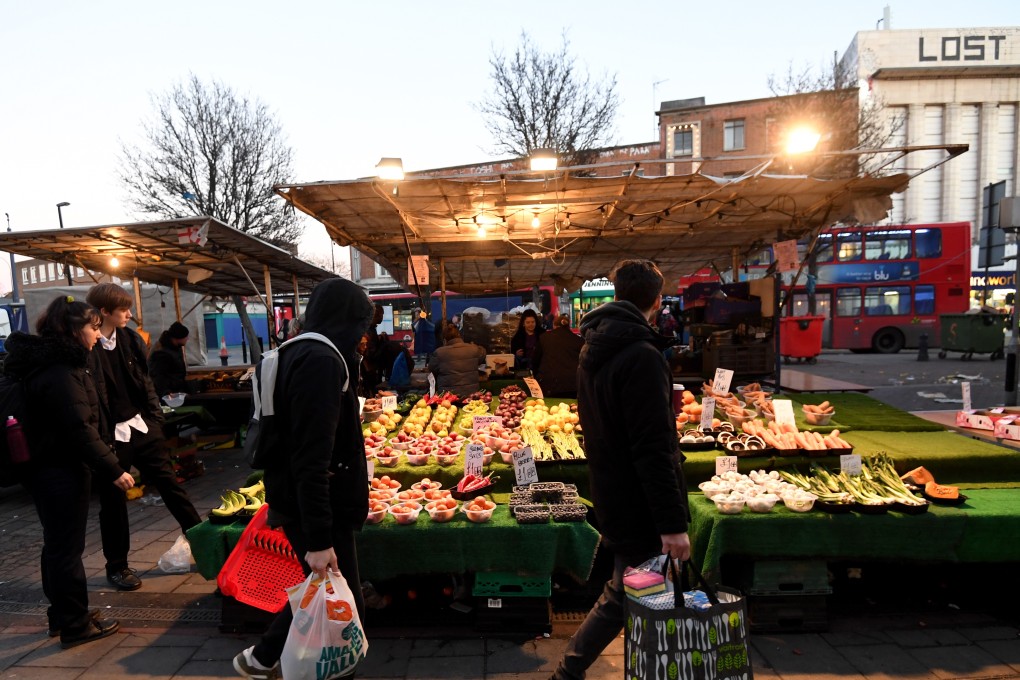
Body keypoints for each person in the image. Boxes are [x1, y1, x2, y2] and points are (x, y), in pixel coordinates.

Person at [550, 260, 691, 680]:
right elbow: (651, 448)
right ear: (657, 300)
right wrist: (671, 523)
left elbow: (612, 419)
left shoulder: (597, 345)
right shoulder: (641, 355)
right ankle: (571, 672)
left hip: (613, 488)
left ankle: (634, 668)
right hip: (639, 500)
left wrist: (660, 406)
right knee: (631, 593)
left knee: (635, 591)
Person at [233, 277, 374, 680]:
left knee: (323, 593)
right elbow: (311, 457)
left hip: (295, 497)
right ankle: (268, 660)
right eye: (361, 325)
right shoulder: (322, 361)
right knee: (344, 613)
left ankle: (259, 659)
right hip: (312, 501)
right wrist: (319, 539)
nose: (363, 336)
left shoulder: (293, 351)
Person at [3, 296, 132, 648]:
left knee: (57, 546)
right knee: (66, 550)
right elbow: (78, 427)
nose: (95, 335)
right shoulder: (61, 371)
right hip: (59, 470)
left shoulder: (51, 363)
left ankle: (62, 614)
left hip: (46, 468)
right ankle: (75, 625)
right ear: (76, 330)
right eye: (92, 328)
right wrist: (113, 468)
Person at [85, 283, 202, 592]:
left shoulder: (131, 339)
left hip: (142, 427)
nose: (130, 313)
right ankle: (117, 566)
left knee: (171, 487)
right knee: (112, 502)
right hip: (111, 435)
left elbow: (145, 382)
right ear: (104, 312)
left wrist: (154, 419)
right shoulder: (88, 345)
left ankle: (204, 546)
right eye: (123, 309)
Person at [531, 314, 584, 398]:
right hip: (573, 385)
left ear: (554, 325)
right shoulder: (579, 340)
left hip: (549, 384)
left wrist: (535, 375)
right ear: (568, 326)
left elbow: (535, 361)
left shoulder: (544, 338)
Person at [429, 325, 485, 398]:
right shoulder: (474, 349)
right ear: (460, 337)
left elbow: (432, 368)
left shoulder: (438, 353)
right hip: (472, 396)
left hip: (448, 398)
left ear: (445, 340)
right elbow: (483, 352)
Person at [148, 321, 191, 397]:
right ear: (178, 338)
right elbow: (158, 375)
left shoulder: (176, 347)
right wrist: (166, 392)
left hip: (177, 390)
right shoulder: (161, 353)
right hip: (169, 394)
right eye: (185, 336)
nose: (187, 339)